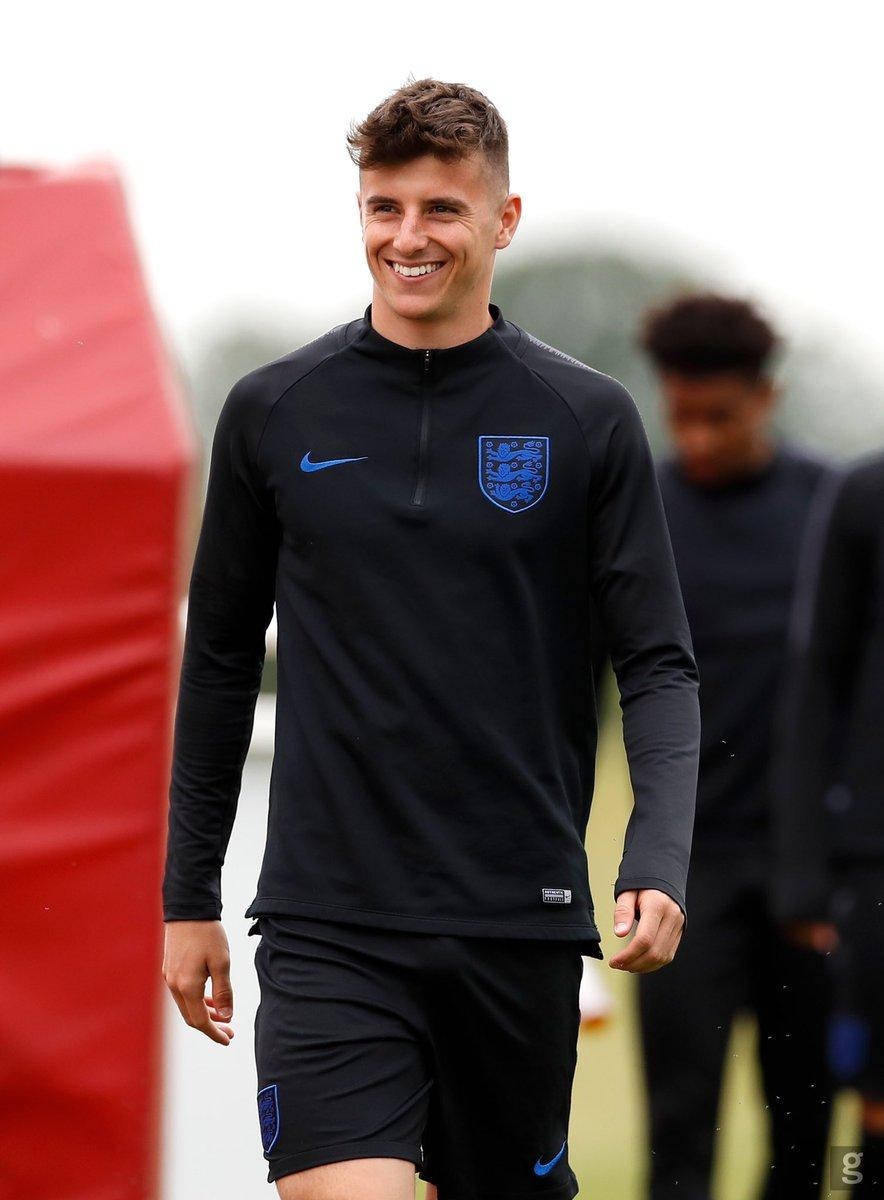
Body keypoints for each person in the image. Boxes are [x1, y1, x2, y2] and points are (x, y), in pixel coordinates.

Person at [161, 77, 700, 1200]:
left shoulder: (584, 420)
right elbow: (217, 660)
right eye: (382, 207)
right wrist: (187, 896)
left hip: (519, 919)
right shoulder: (274, 410)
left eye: (440, 210)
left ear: (501, 220)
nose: (406, 238)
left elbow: (652, 662)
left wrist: (651, 858)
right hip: (326, 922)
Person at [634, 292, 836, 1199]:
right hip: (684, 870)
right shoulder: (640, 515)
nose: (700, 440)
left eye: (720, 417)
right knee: (680, 1128)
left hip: (813, 869)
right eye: (682, 417)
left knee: (807, 1126)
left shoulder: (834, 514)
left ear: (767, 396)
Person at [771, 449, 884, 1195]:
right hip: (877, 860)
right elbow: (818, 682)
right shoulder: (866, 494)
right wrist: (806, 872)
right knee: (873, 1110)